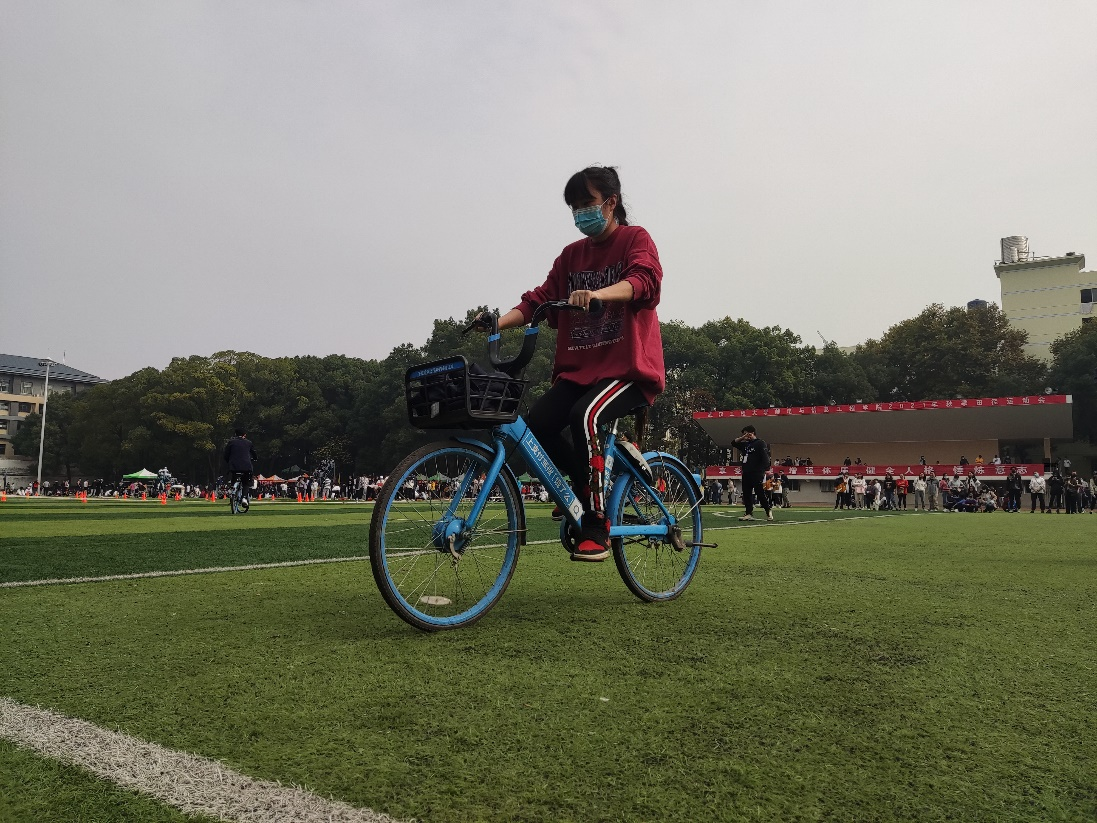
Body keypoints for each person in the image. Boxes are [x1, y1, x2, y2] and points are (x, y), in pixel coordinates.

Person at [478, 165, 663, 561]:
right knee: (535, 427)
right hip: (580, 373)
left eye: (587, 203)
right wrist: (497, 322)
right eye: (575, 207)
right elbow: (538, 300)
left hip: (628, 371)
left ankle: (596, 522)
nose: (581, 213)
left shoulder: (635, 239)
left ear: (610, 203)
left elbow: (644, 280)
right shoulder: (571, 256)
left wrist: (599, 294)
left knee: (585, 416)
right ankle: (583, 485)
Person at [733, 425, 773, 522]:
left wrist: (767, 468)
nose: (745, 436)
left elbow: (765, 456)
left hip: (757, 472)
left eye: (746, 433)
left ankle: (768, 510)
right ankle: (748, 513)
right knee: (746, 493)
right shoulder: (745, 445)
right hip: (746, 472)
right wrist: (743, 437)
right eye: (744, 434)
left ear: (752, 433)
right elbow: (733, 443)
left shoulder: (760, 443)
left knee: (759, 492)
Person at [223, 428, 257, 504]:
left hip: (234, 465)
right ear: (244, 435)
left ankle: (232, 488)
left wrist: (228, 461)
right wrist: (255, 458)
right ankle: (244, 498)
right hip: (246, 466)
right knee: (246, 482)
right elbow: (254, 453)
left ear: (235, 434)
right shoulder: (248, 443)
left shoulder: (231, 442)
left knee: (234, 476)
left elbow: (226, 454)